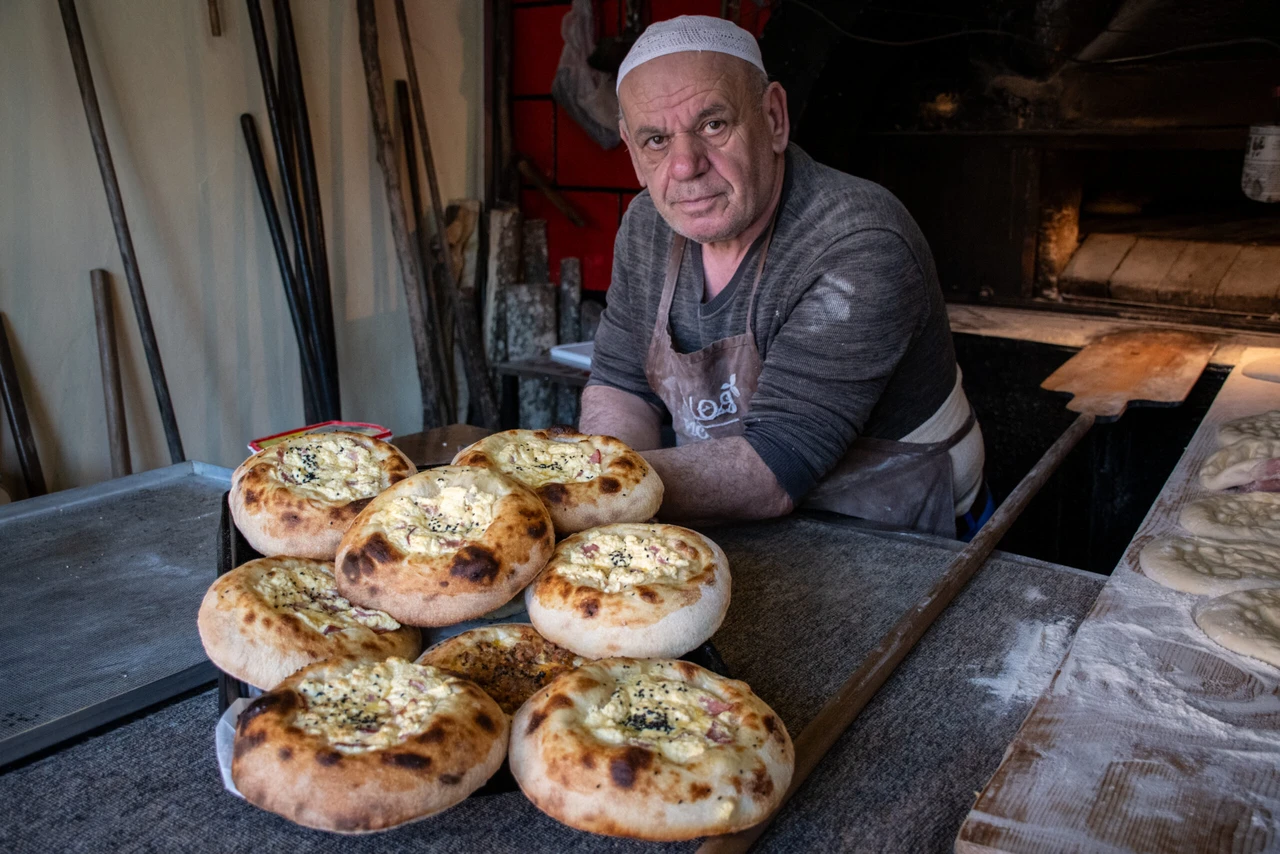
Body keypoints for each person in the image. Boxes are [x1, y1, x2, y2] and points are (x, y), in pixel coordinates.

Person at [579, 15, 990, 539]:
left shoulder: (859, 241)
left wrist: (594, 492)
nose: (684, 166)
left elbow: (774, 466)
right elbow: (621, 386)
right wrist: (610, 508)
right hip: (735, 516)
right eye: (656, 139)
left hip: (893, 533)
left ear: (773, 118)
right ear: (633, 153)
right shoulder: (646, 228)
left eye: (713, 125)